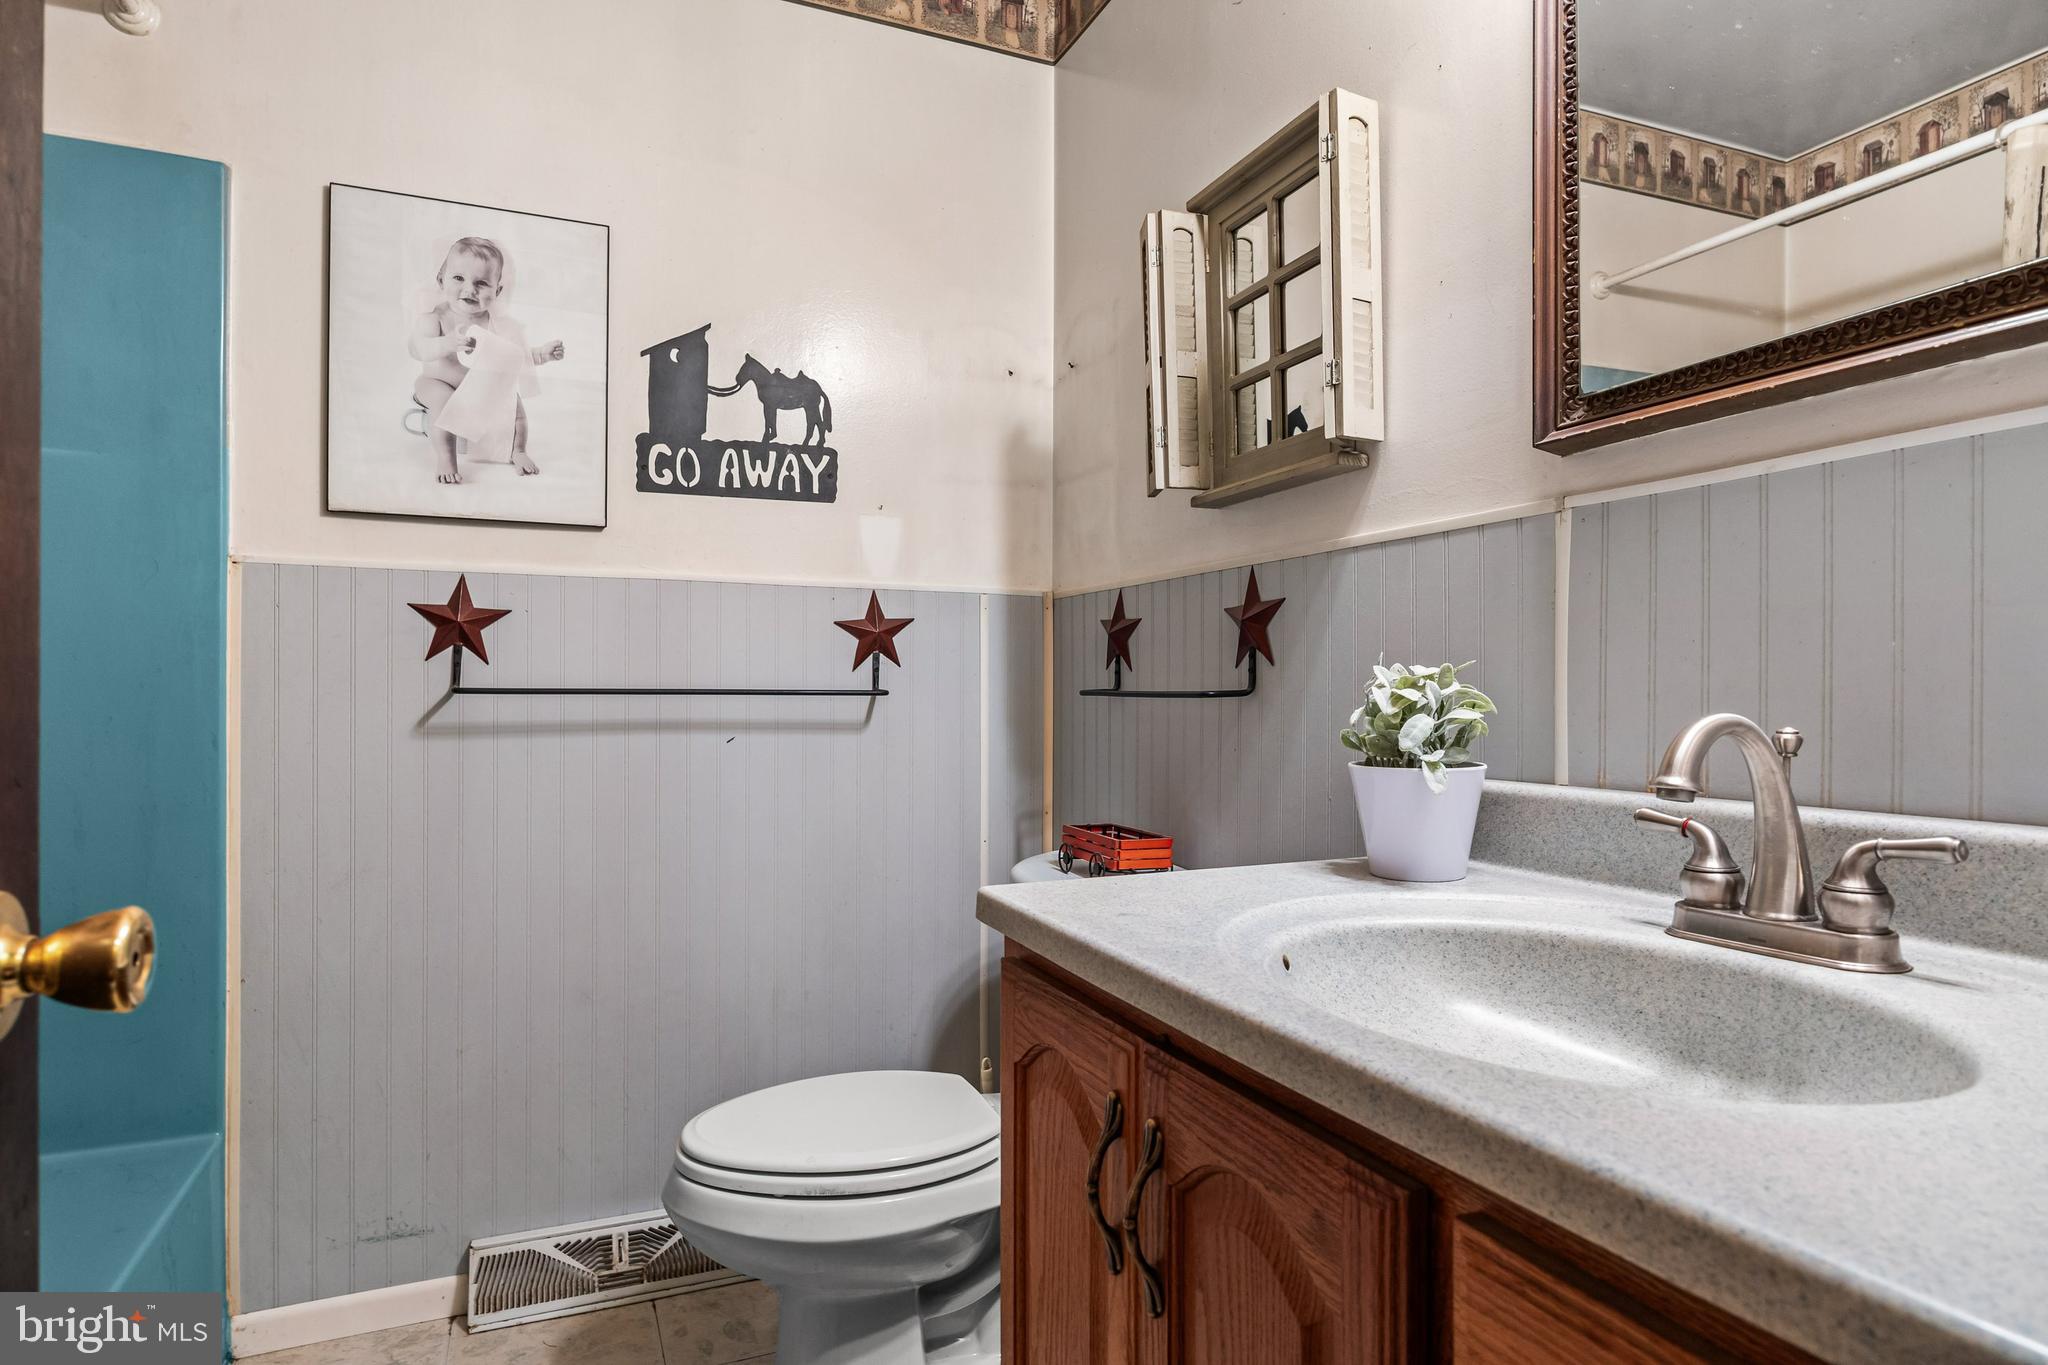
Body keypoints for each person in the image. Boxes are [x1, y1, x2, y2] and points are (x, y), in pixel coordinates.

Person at [409, 236, 564, 483]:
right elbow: (419, 349)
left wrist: (541, 355)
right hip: (437, 382)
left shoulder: (497, 324)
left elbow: (513, 358)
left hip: (479, 388)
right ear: (441, 280)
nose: (470, 289)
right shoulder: (433, 319)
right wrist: (446, 343)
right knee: (443, 401)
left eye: (481, 283)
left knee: (514, 404)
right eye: (458, 278)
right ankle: (446, 458)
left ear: (497, 291)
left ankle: (517, 450)